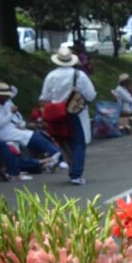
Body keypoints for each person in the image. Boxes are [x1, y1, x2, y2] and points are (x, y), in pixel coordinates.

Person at [40, 45, 97, 185]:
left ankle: (72, 167)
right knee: (79, 144)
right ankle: (76, 173)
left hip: (57, 114)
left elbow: (45, 96)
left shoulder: (51, 76)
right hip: (74, 112)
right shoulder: (79, 75)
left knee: (64, 142)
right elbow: (91, 95)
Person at [0, 82, 62, 172]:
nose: (7, 98)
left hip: (8, 129)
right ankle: (56, 155)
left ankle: (53, 157)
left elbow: (10, 120)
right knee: (32, 136)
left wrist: (18, 124)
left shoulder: (4, 103)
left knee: (35, 135)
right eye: (5, 96)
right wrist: (11, 113)